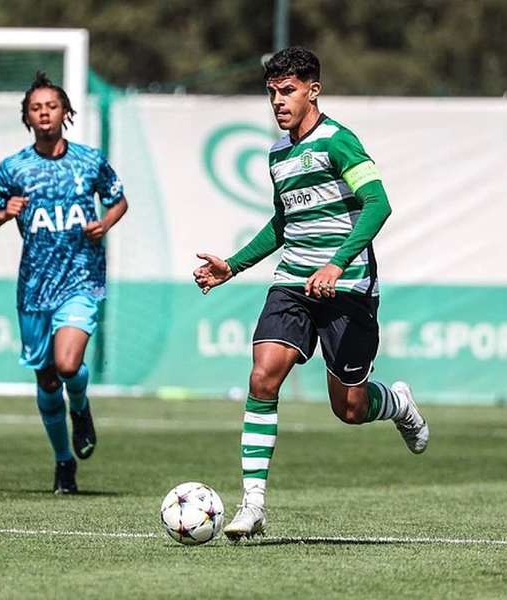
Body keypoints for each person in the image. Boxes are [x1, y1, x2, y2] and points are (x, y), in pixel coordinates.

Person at [193, 47, 429, 540]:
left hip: (348, 288)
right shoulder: (278, 153)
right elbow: (284, 222)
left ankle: (399, 403)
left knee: (349, 409)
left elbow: (378, 203)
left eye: (288, 91)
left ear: (312, 90)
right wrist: (232, 266)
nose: (278, 102)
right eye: (272, 93)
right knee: (263, 378)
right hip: (293, 284)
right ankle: (253, 504)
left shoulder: (338, 142)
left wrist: (338, 262)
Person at [0, 72, 128, 494]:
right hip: (34, 288)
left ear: (66, 112)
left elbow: (119, 200)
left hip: (80, 279)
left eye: (52, 106)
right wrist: (5, 212)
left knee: (67, 365)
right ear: (27, 117)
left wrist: (105, 223)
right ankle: (64, 462)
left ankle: (80, 408)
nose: (44, 113)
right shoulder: (14, 168)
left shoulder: (89, 160)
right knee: (45, 379)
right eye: (36, 108)